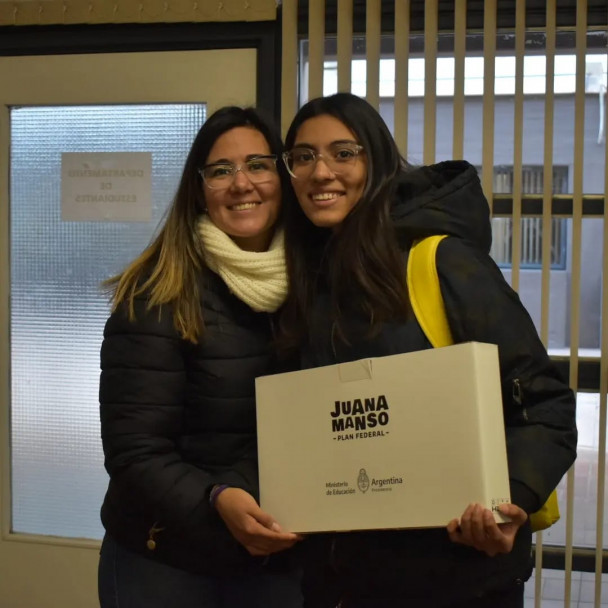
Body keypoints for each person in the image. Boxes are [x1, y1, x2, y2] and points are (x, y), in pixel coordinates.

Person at [278, 92, 577, 608]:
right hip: (339, 583)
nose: (320, 171)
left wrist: (513, 504)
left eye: (343, 153)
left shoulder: (440, 262)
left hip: (455, 581)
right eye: (302, 157)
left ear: (378, 162)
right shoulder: (306, 276)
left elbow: (546, 405)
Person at [98, 105, 303, 608]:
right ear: (200, 188)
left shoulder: (316, 284)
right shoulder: (157, 292)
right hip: (167, 558)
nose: (242, 183)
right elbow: (134, 451)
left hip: (278, 558)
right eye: (221, 170)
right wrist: (217, 499)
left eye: (258, 164)